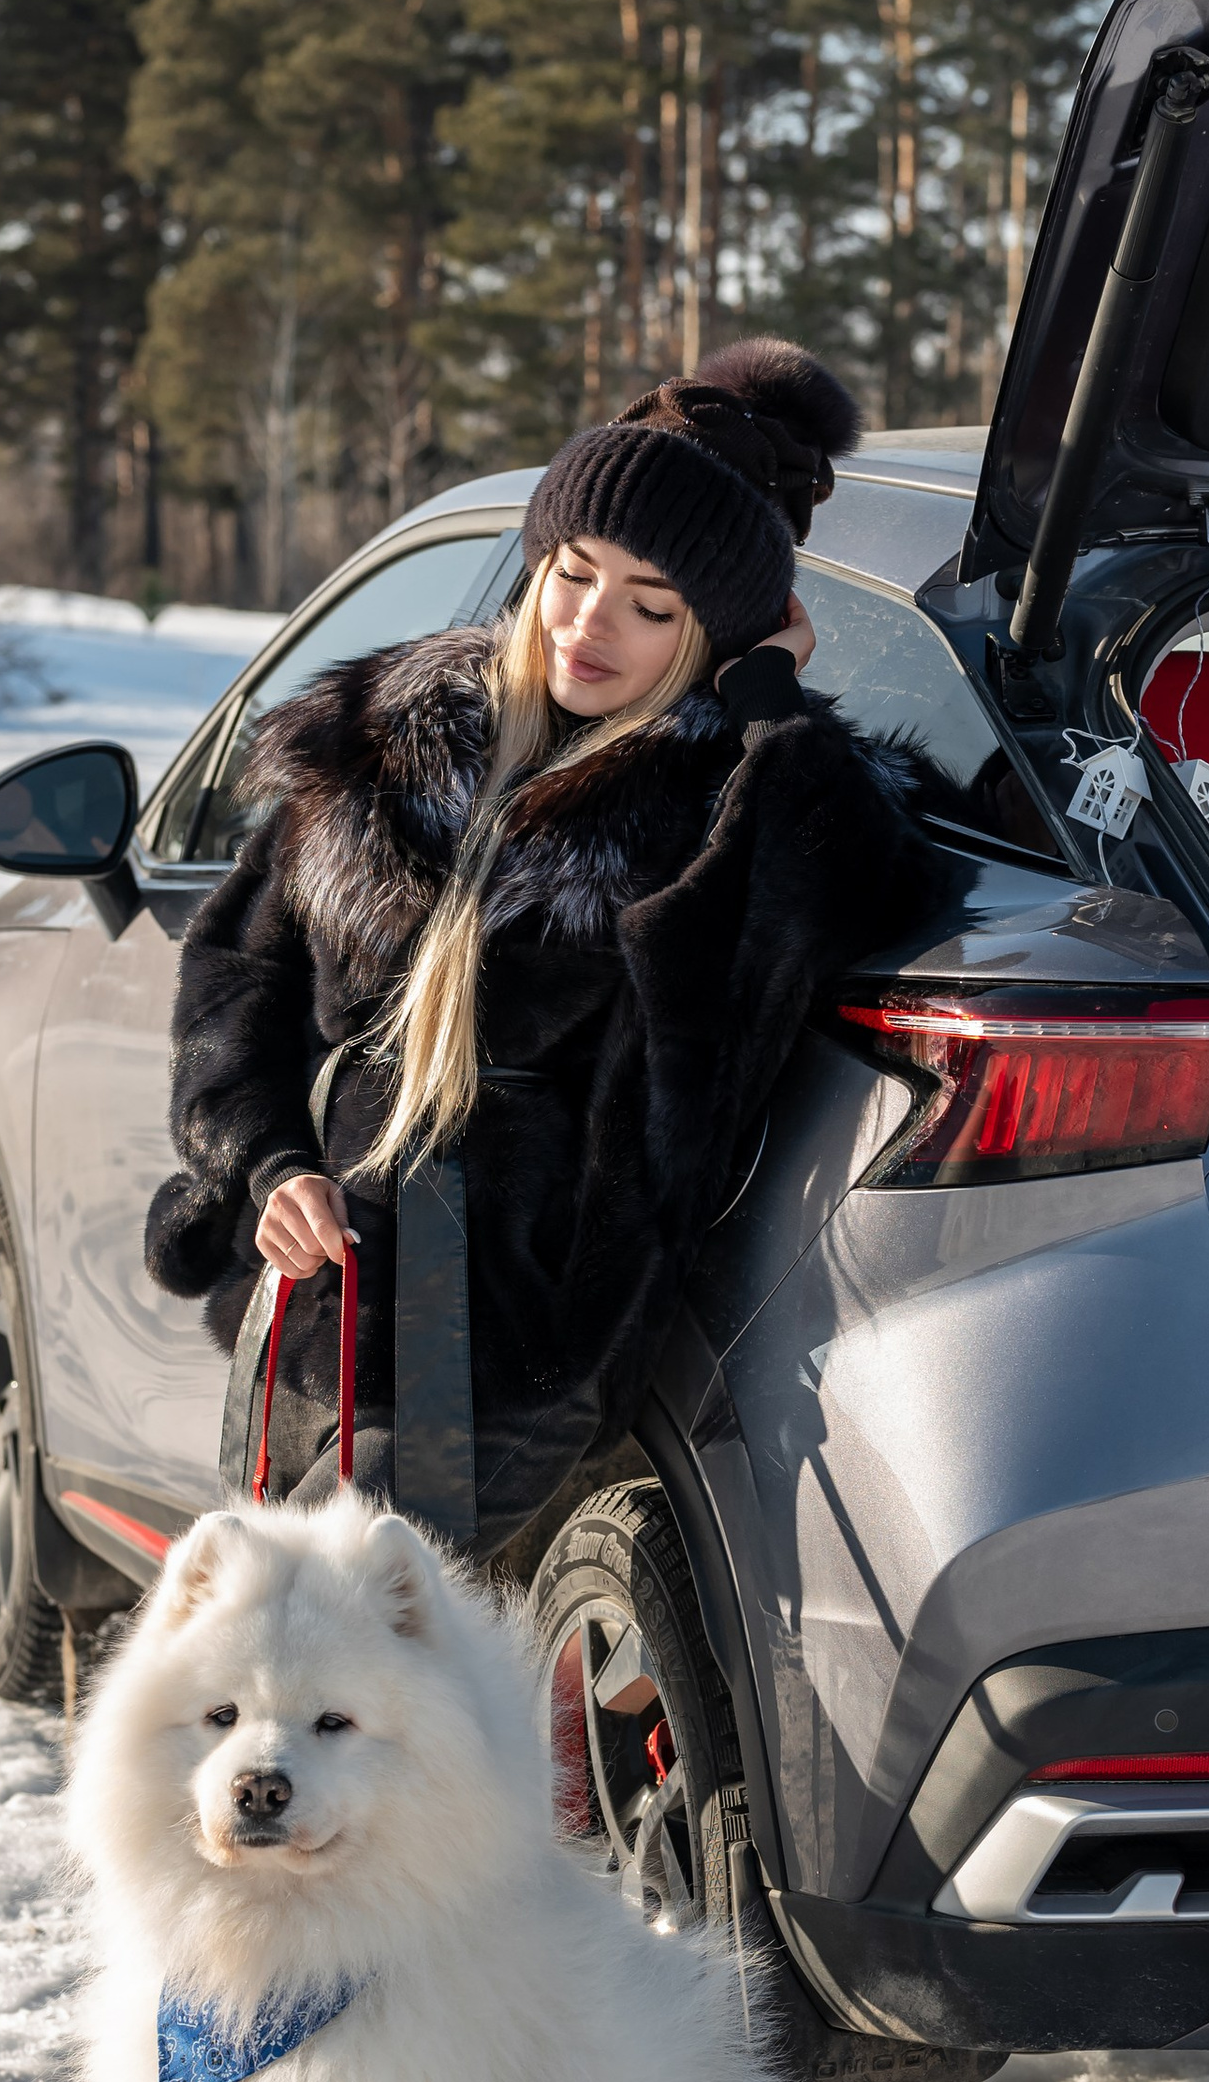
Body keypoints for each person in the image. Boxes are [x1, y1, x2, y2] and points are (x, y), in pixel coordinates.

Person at [142, 340, 944, 1565]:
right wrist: (263, 1162)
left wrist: (772, 705)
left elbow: (824, 907)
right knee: (282, 1668)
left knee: (359, 1682)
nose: (588, 625)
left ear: (718, 630)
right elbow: (238, 974)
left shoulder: (736, 797)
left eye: (652, 605)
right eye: (575, 573)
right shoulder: (380, 737)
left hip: (511, 1337)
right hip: (318, 1302)